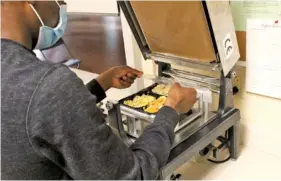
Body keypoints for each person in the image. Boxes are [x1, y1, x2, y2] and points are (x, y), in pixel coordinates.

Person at [1, 1, 197, 180]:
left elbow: (34, 114)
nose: (62, 5)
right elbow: (135, 176)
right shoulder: (50, 84)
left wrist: (99, 85)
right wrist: (171, 110)